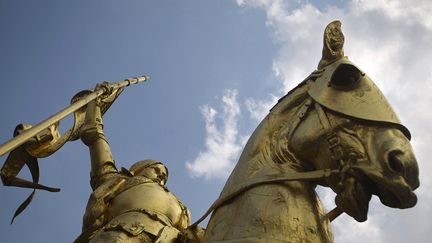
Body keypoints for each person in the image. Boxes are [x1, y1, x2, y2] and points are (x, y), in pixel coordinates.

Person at [74, 98, 195, 243]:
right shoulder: (120, 181)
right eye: (156, 169)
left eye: (164, 176)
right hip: (122, 234)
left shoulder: (182, 207)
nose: (161, 176)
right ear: (138, 169)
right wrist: (94, 104)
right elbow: (93, 134)